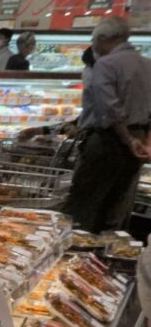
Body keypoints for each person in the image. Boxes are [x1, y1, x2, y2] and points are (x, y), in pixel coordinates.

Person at [62, 16, 151, 233]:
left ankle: (78, 251)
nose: (94, 46)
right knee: (117, 206)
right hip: (139, 138)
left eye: (94, 40)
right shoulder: (147, 64)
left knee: (85, 206)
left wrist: (127, 139)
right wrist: (145, 142)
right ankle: (108, 251)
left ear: (103, 38)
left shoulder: (106, 64)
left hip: (107, 140)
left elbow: (109, 110)